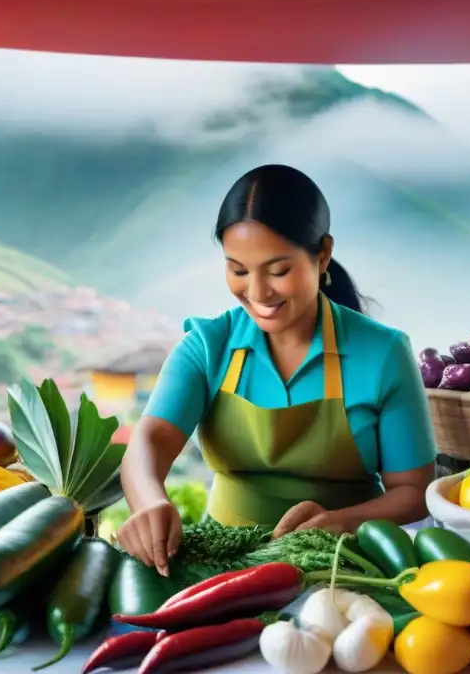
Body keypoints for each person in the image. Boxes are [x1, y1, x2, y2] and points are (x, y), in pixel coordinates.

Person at [118, 164, 437, 576]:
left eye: (279, 270)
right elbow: (152, 439)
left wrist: (340, 521)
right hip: (222, 566)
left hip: (346, 565)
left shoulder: (383, 353)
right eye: (238, 270)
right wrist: (150, 502)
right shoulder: (207, 346)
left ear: (322, 254)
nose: (257, 292)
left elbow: (412, 492)